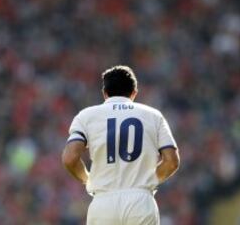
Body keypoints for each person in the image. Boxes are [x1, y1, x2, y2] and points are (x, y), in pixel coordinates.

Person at [62, 65, 180, 225]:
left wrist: (87, 179)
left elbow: (70, 158)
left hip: (102, 203)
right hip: (141, 203)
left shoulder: (86, 116)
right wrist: (149, 180)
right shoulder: (153, 116)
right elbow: (172, 161)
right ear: (134, 93)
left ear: (105, 93)